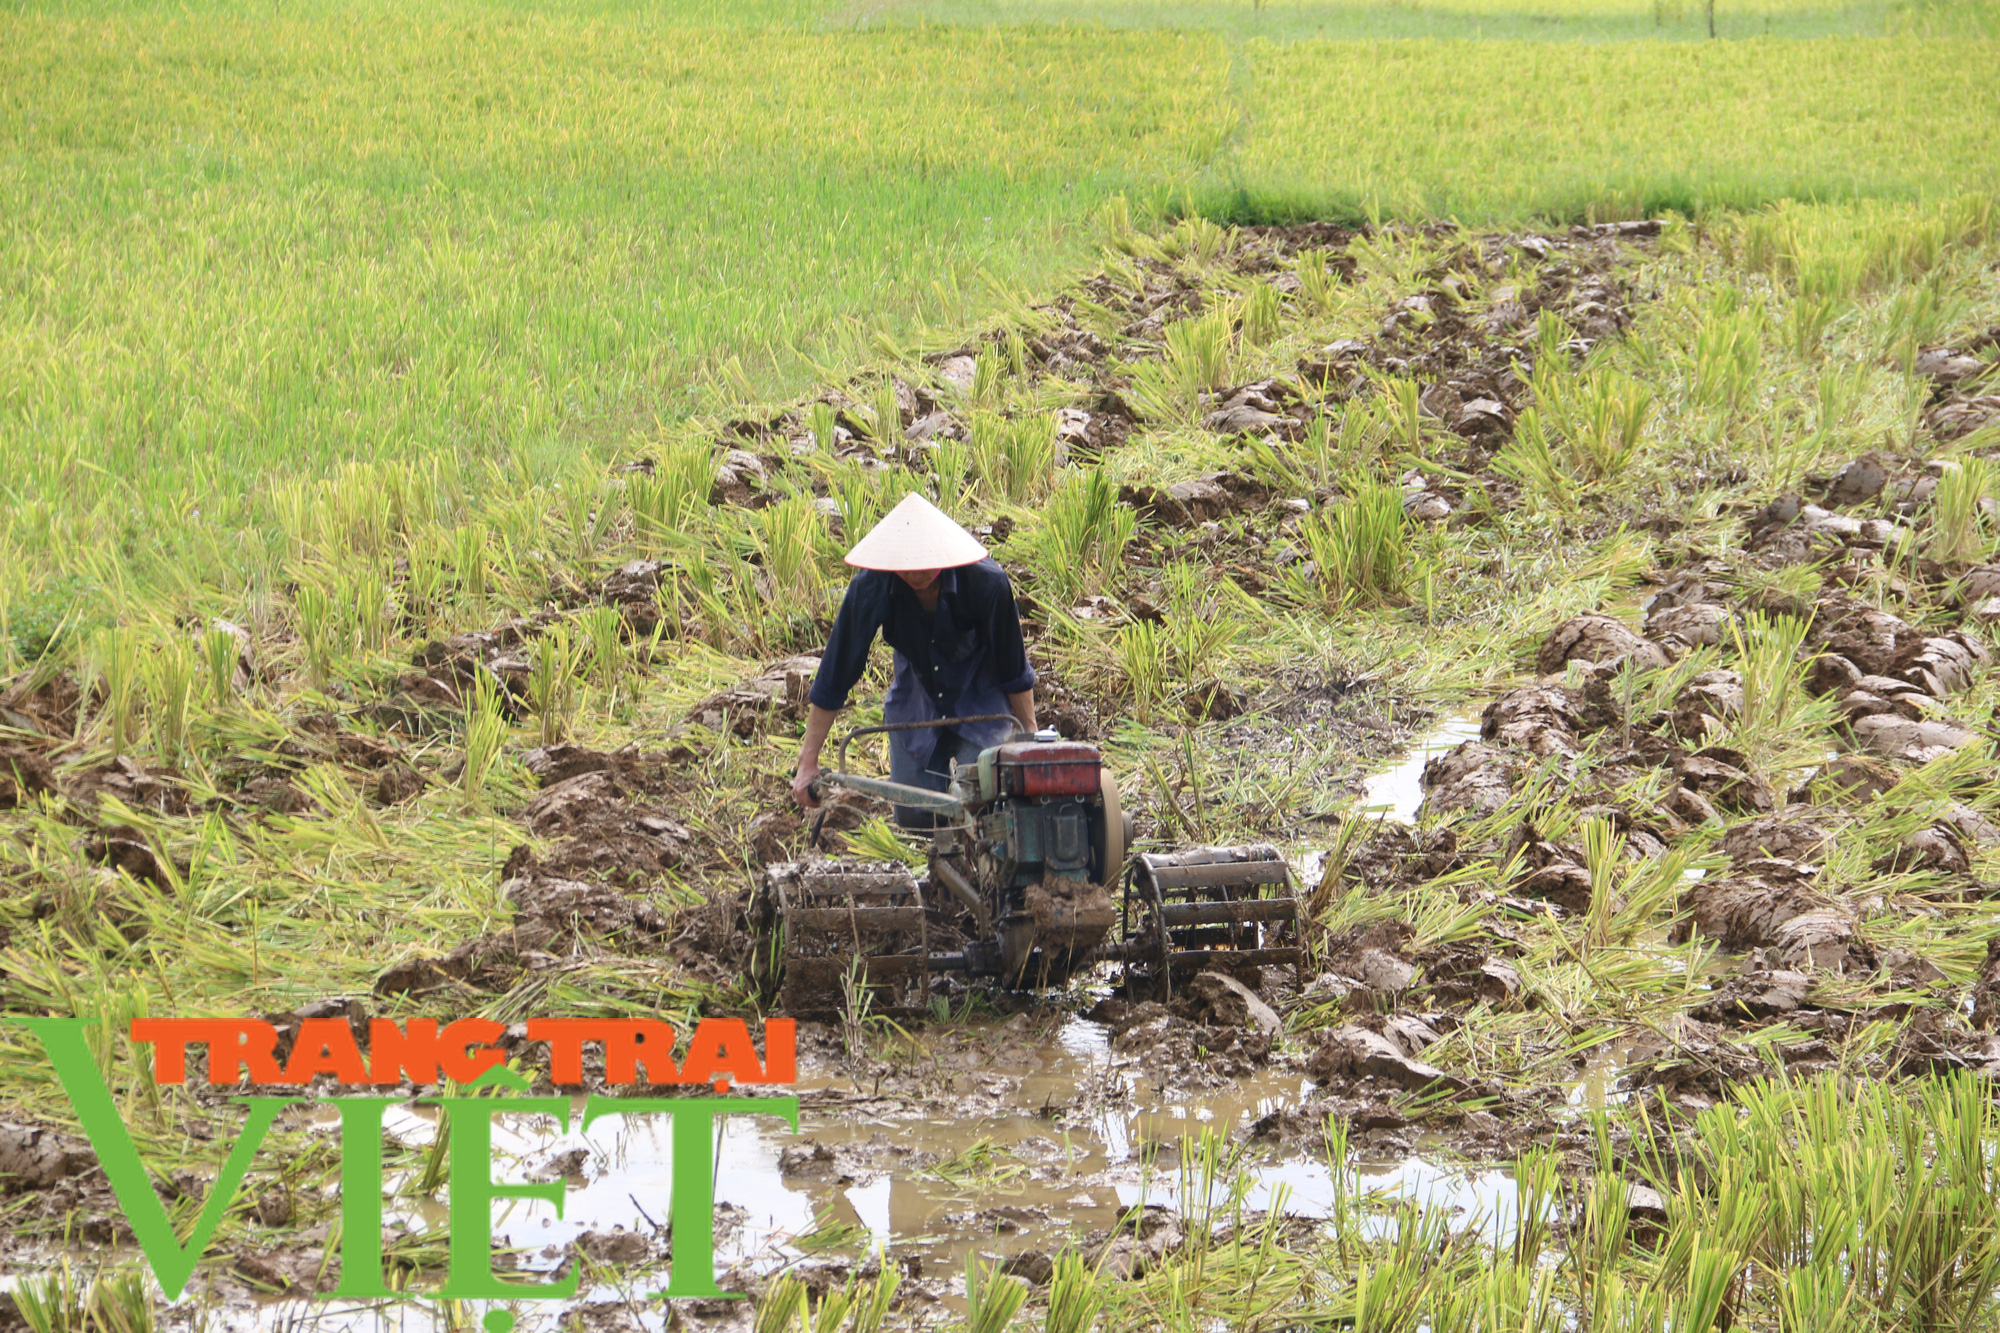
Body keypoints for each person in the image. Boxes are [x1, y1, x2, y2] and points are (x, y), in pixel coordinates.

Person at [792, 492, 1036, 826]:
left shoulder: (986, 583)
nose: (917, 573)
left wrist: (1030, 739)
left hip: (981, 704)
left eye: (926, 562)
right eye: (908, 564)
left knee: (983, 807)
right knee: (914, 816)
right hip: (917, 702)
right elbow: (836, 673)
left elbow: (1013, 669)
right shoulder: (871, 587)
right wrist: (809, 761)